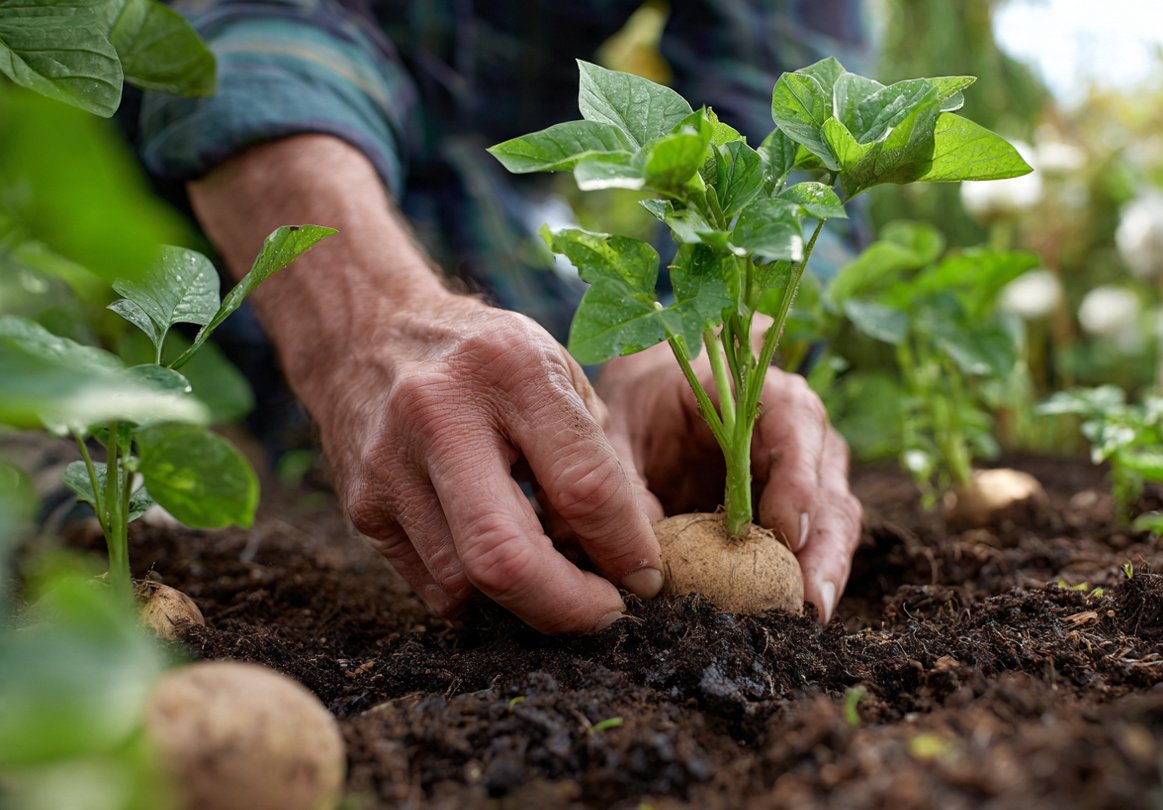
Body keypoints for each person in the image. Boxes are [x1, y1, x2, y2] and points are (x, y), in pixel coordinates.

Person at [135, 1, 872, 634]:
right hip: (189, 201)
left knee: (554, 446)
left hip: (480, 216)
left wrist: (682, 346)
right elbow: (249, 38)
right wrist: (366, 321)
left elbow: (783, 108)